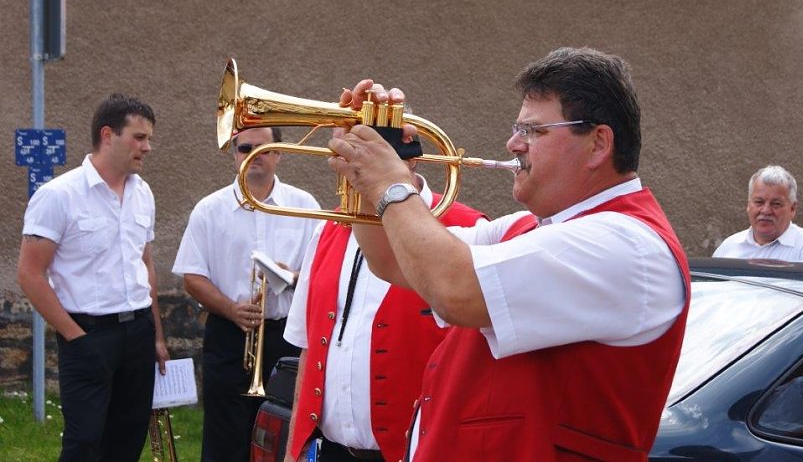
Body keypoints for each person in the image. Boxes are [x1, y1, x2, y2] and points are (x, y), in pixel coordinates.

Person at [325, 47, 690, 461]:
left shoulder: (627, 245)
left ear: (598, 143)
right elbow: (393, 259)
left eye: (533, 131)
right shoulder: (528, 228)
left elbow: (453, 289)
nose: (513, 143)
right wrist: (361, 175)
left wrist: (390, 184)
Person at [284, 153, 486, 462]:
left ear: (409, 158)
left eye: (367, 151)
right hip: (329, 451)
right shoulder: (329, 227)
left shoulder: (469, 228)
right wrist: (293, 452)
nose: (352, 166)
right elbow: (309, 348)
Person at [17, 93, 169, 461]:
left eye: (149, 138)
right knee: (84, 443)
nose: (147, 147)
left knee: (128, 440)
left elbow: (144, 264)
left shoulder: (143, 193)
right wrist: (75, 337)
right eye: (138, 137)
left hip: (137, 333)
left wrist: (157, 335)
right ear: (107, 135)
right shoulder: (58, 195)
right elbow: (30, 273)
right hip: (87, 335)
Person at [172, 126, 320, 462]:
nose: (253, 155)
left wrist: (293, 277)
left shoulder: (304, 205)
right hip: (229, 334)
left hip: (286, 334)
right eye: (244, 148)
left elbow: (320, 274)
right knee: (225, 435)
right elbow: (192, 277)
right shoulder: (209, 209)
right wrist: (231, 308)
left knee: (283, 431)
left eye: (263, 149)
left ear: (279, 153)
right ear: (234, 154)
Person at [713, 165, 803, 262]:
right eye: (759, 202)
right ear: (748, 205)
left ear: (792, 208)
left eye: (776, 204)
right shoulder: (729, 247)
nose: (765, 210)